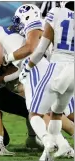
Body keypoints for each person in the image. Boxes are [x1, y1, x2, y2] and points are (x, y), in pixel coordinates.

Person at [19, 1, 74, 159]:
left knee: (35, 113)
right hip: (73, 72)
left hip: (57, 66)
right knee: (56, 114)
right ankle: (47, 156)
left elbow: (40, 50)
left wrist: (28, 68)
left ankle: (46, 140)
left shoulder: (56, 12)